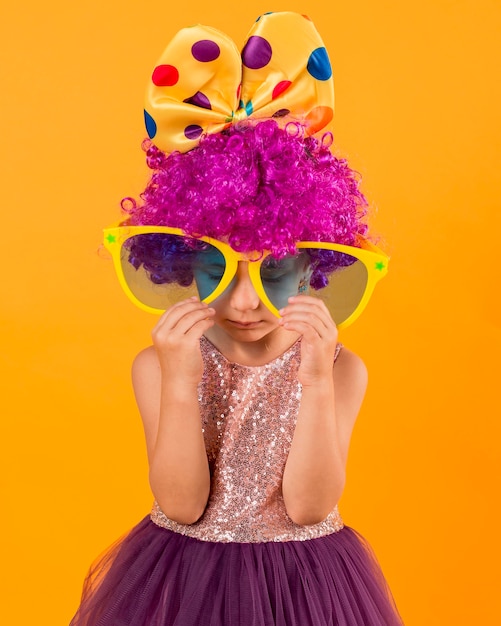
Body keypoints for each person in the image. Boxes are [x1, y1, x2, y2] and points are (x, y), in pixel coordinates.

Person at [71, 11, 403, 626]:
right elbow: (180, 503)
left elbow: (309, 508)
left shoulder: (341, 369)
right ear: (177, 261)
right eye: (216, 270)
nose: (244, 302)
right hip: (185, 575)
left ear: (313, 266)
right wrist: (178, 379)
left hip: (305, 585)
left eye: (272, 270)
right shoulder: (161, 363)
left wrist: (315, 382)